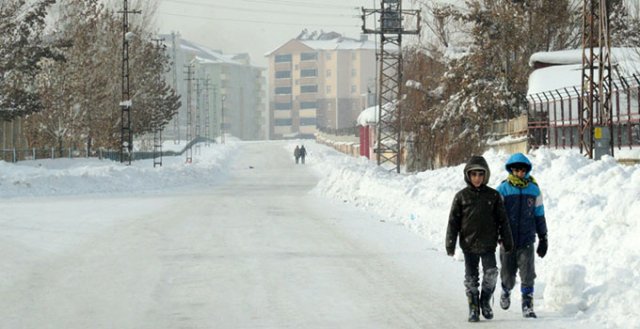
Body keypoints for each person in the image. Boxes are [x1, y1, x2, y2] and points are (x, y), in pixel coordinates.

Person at [446, 155, 514, 322]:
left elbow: (503, 220)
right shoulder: (461, 197)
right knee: (471, 278)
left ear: (486, 176)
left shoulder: (494, 196)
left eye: (480, 174)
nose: (477, 178)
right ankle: (473, 307)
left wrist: (507, 240)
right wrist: (450, 243)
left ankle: (485, 301)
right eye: (473, 174)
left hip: (488, 244)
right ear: (468, 175)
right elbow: (453, 222)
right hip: (468, 245)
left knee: (491, 273)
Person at [496, 153, 548, 318]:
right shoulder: (502, 189)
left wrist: (543, 237)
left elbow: (539, 214)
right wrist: (497, 235)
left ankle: (527, 304)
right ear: (511, 170)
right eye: (516, 170)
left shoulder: (534, 190)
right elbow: (495, 216)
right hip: (507, 241)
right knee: (508, 274)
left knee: (528, 274)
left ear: (527, 170)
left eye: (523, 170)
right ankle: (505, 290)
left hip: (526, 240)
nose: (520, 173)